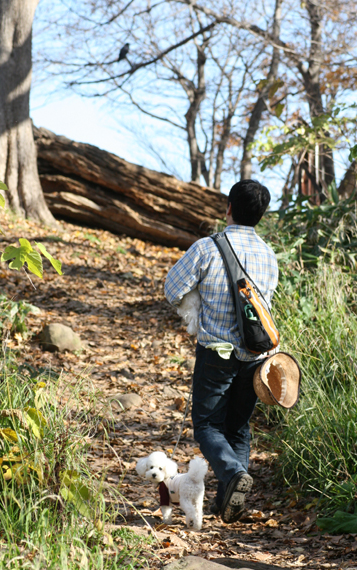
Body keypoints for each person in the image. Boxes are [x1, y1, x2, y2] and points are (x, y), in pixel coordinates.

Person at [164, 179, 279, 523]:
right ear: (260, 215)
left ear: (229, 208)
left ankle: (232, 475)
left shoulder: (206, 247)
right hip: (256, 355)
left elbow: (172, 289)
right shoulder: (269, 255)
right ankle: (228, 503)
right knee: (239, 428)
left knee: (207, 427)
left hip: (217, 352)